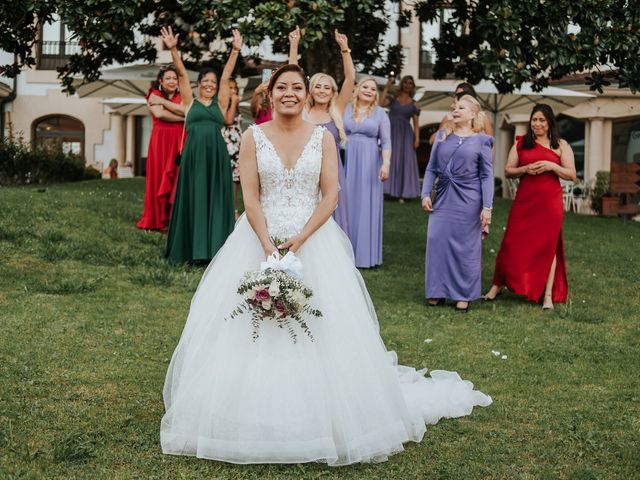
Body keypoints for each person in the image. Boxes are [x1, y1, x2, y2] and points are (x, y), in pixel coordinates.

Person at [160, 63, 491, 466]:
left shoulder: (323, 139)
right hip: (258, 238)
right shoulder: (252, 136)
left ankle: (324, 411)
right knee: (246, 325)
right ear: (270, 92)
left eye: (297, 87)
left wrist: (300, 239)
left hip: (313, 240)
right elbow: (249, 196)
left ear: (306, 94)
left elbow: (331, 196)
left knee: (319, 327)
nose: (289, 93)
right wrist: (267, 246)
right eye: (282, 86)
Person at [160, 26, 241, 264]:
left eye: (212, 82)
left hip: (217, 157)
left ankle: (215, 252)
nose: (210, 84)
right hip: (194, 157)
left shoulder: (221, 101)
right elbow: (182, 74)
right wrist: (173, 48)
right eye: (205, 81)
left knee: (216, 200)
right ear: (199, 84)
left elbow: (226, 75)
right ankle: (190, 250)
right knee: (194, 198)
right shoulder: (190, 101)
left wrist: (235, 51)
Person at [484, 104, 575, 309]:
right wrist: (525, 169)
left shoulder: (561, 145)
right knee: (511, 243)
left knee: (548, 247)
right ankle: (497, 286)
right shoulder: (521, 144)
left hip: (550, 202)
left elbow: (571, 174)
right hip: (525, 201)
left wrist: (552, 166)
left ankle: (548, 296)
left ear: (550, 122)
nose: (538, 124)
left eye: (542, 120)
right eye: (535, 120)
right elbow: (508, 170)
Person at [421, 94, 494, 312]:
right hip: (443, 197)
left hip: (469, 200)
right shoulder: (443, 136)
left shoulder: (482, 141)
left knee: (466, 248)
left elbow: (486, 176)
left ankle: (464, 294)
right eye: (454, 107)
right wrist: (425, 193)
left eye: (461, 107)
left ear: (472, 114)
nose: (455, 110)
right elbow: (432, 167)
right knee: (437, 241)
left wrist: (487, 207)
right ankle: (437, 291)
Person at [288, 25, 355, 234]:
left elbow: (351, 79)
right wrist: (294, 45)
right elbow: (292, 77)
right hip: (306, 172)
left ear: (333, 91)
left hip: (333, 173)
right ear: (310, 90)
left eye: (327, 87)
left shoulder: (337, 109)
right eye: (318, 86)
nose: (323, 90)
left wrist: (345, 49)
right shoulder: (303, 111)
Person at [343, 78, 392, 268]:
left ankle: (365, 256)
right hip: (347, 159)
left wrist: (386, 164)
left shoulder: (381, 114)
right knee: (347, 203)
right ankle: (345, 253)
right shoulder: (345, 109)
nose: (369, 90)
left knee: (365, 205)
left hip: (370, 162)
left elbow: (386, 142)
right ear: (357, 88)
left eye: (373, 88)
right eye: (365, 86)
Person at [137, 65, 185, 231]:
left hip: (179, 141)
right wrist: (180, 116)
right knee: (158, 178)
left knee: (176, 179)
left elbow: (188, 111)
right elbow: (159, 114)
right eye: (168, 79)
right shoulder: (153, 94)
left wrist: (166, 104)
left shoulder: (181, 95)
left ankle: (172, 219)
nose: (172, 82)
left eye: (174, 79)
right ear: (161, 81)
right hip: (160, 142)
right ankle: (156, 219)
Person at [380, 74, 421, 202]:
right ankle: (386, 190)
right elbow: (380, 103)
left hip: (406, 135)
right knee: (390, 159)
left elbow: (416, 124)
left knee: (404, 161)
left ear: (412, 86)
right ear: (402, 84)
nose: (407, 85)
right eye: (406, 82)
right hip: (391, 132)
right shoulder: (393, 99)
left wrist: (417, 139)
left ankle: (403, 194)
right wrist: (387, 87)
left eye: (410, 83)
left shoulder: (415, 104)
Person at [429, 82, 494, 145]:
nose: (458, 97)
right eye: (456, 94)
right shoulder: (449, 118)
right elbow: (433, 141)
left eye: (462, 94)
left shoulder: (483, 117)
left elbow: (491, 143)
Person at [221, 76, 243, 219]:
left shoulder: (235, 105)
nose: (233, 91)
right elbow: (228, 120)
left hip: (236, 145)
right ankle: (222, 208)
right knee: (225, 177)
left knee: (235, 179)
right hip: (225, 143)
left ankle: (233, 208)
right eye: (230, 88)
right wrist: (234, 101)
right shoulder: (222, 105)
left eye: (235, 88)